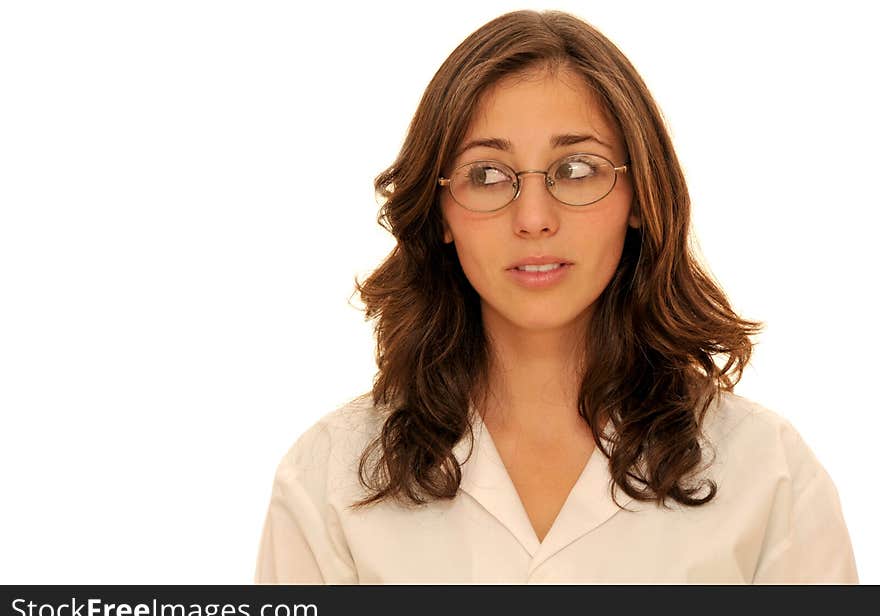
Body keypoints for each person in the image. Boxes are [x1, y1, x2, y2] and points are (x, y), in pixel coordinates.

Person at [255, 9, 858, 584]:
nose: (534, 218)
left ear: (640, 199)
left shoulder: (766, 474)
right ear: (440, 212)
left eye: (577, 169)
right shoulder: (329, 481)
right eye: (487, 175)